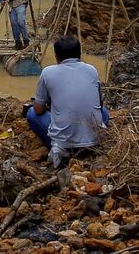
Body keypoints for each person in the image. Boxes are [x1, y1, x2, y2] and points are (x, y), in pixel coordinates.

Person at [25, 35, 107, 169]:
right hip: (94, 141)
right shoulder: (92, 70)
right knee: (104, 112)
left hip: (65, 144)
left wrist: (49, 106)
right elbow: (99, 104)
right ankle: (86, 143)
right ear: (79, 54)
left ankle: (60, 148)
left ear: (56, 56)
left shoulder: (48, 72)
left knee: (31, 114)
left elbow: (38, 110)